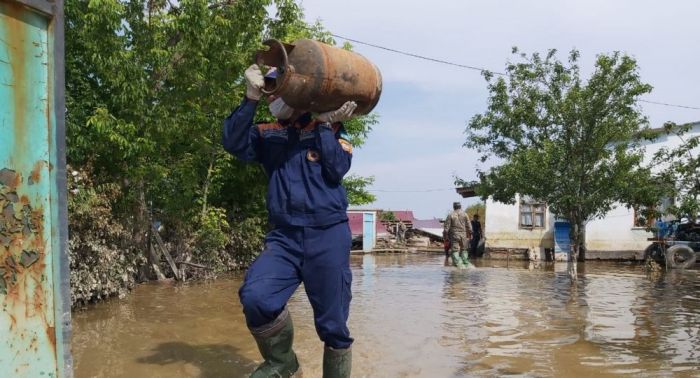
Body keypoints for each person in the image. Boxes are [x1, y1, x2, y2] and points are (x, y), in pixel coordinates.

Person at [223, 64, 357, 378]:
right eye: (270, 85)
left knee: (333, 325)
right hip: (284, 238)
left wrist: (324, 125)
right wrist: (250, 98)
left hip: (327, 235)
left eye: (276, 84)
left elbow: (336, 170)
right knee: (256, 297)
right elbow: (233, 142)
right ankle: (285, 364)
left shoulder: (336, 132)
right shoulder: (269, 133)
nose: (274, 93)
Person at [443, 202, 472, 268]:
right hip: (463, 234)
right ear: (460, 207)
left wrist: (445, 236)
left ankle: (458, 264)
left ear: (454, 207)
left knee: (455, 249)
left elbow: (446, 227)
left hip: (454, 235)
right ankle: (465, 263)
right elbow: (469, 225)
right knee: (464, 249)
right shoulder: (465, 214)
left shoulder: (450, 215)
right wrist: (470, 232)